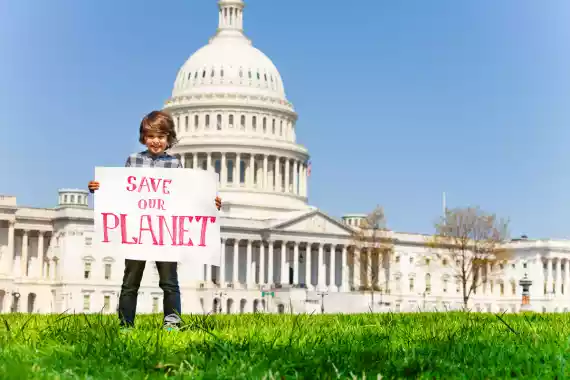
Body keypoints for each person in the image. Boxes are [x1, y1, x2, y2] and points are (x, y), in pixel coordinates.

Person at [88, 110, 222, 331]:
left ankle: (172, 322)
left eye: (160, 136)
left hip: (164, 232)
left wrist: (210, 204)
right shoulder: (133, 160)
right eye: (151, 136)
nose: (156, 141)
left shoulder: (175, 165)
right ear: (143, 137)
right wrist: (100, 188)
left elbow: (185, 196)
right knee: (130, 280)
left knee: (169, 281)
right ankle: (126, 324)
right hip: (137, 230)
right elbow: (122, 189)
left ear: (169, 138)